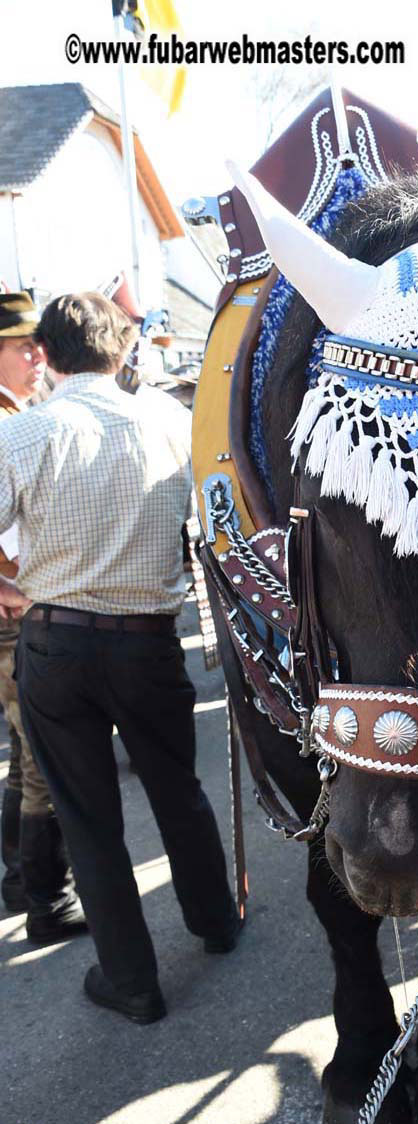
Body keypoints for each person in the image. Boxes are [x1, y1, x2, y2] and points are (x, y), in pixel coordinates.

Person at [0, 291, 239, 1025]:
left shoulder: (23, 434)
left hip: (57, 638)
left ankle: (132, 980)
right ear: (122, 347)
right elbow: (216, 524)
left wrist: (10, 590)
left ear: (49, 354)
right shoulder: (170, 419)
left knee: (88, 815)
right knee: (177, 788)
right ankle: (215, 919)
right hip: (146, 638)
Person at [0, 292, 83, 938]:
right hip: (11, 618)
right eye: (20, 346)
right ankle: (46, 901)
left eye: (36, 345)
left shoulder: (20, 412)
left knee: (24, 753)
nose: (35, 356)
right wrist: (9, 592)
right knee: (41, 758)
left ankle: (16, 877)